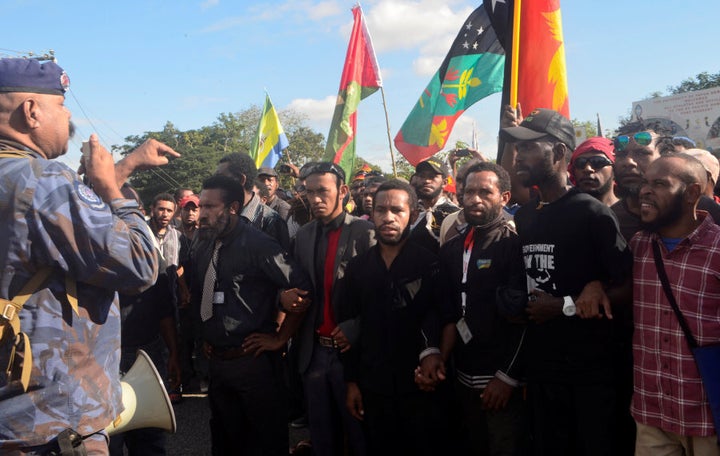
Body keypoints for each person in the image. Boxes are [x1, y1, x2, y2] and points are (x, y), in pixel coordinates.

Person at [0, 58, 179, 454]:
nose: (69, 118)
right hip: (50, 419)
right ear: (32, 112)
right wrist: (112, 192)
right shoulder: (44, 180)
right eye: (62, 107)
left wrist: (125, 165)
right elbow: (139, 264)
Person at [500, 108, 633, 456]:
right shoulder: (527, 215)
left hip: (590, 374)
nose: (518, 156)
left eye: (528, 148)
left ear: (559, 154)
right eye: (517, 148)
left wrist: (565, 307)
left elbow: (628, 287)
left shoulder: (591, 212)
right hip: (542, 371)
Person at [189, 175, 311, 456]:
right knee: (225, 439)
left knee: (264, 440)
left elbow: (301, 289)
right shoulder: (204, 243)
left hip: (253, 364)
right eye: (200, 206)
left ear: (232, 207)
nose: (201, 214)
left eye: (209, 207)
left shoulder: (258, 244)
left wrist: (280, 338)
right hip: (218, 365)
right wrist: (207, 335)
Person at [339, 179, 445, 455]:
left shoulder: (430, 263)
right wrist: (351, 382)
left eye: (397, 210)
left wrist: (435, 361)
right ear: (371, 213)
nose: (388, 218)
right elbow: (348, 327)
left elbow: (443, 317)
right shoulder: (357, 268)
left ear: (412, 213)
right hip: (372, 386)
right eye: (381, 210)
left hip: (420, 385)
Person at [630, 154, 720, 455]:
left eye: (659, 184)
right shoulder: (638, 247)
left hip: (709, 420)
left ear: (693, 192)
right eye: (645, 183)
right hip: (652, 416)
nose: (645, 190)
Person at [437, 162, 528, 455]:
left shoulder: (516, 245)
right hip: (463, 376)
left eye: (485, 192)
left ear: (504, 197)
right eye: (469, 191)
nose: (475, 199)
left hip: (502, 382)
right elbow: (448, 310)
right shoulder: (452, 248)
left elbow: (528, 319)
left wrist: (508, 376)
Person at [293, 162, 374, 456]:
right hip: (313, 353)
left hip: (351, 355)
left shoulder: (366, 233)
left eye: (322, 192)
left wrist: (357, 326)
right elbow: (295, 285)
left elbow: (381, 295)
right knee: (322, 437)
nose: (314, 199)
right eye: (309, 191)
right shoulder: (302, 235)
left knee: (359, 436)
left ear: (342, 191)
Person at [109, 187, 181, 456]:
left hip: (145, 354)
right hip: (106, 358)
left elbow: (164, 311)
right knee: (109, 437)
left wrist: (173, 353)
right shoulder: (87, 254)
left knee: (147, 439)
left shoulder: (152, 257)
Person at [612, 120, 720, 242]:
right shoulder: (609, 219)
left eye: (641, 153)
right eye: (621, 154)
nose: (628, 162)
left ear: (666, 158)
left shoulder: (702, 208)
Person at [216, 152, 290, 250]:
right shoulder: (218, 214)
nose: (216, 182)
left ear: (241, 179)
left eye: (221, 177)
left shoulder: (270, 220)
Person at [568, 137, 618, 207]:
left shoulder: (634, 213)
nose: (587, 169)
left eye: (598, 162)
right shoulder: (562, 214)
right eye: (580, 163)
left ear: (615, 169)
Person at [149, 193, 181, 268]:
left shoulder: (177, 236)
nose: (165, 214)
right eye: (161, 209)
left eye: (169, 211)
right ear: (153, 209)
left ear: (174, 212)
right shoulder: (142, 232)